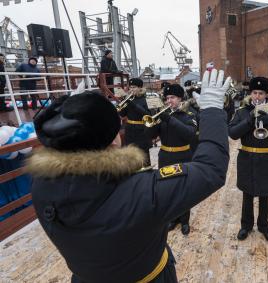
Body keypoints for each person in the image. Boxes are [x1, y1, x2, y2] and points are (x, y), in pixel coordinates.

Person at [28, 69, 230, 283]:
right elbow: (211, 169)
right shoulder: (143, 191)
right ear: (114, 140)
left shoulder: (40, 185)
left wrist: (72, 112)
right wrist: (213, 111)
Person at [229, 76, 268, 244]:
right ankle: (246, 225)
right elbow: (233, 133)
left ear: (266, 94)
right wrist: (249, 121)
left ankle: (264, 226)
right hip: (247, 157)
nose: (257, 96)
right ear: (251, 94)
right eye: (255, 93)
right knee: (247, 194)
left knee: (265, 194)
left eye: (261, 93)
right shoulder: (242, 111)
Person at [146, 83, 197, 235]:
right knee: (168, 189)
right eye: (167, 98)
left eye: (172, 97)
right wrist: (152, 122)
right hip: (165, 156)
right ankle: (173, 218)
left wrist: (168, 119)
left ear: (180, 98)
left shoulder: (189, 114)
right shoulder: (162, 115)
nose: (169, 101)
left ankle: (185, 220)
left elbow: (189, 134)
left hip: (183, 155)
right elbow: (150, 136)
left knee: (183, 188)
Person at [118, 78, 153, 165]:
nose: (131, 90)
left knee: (144, 155)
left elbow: (147, 115)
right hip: (130, 130)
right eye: (130, 87)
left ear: (140, 88)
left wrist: (132, 103)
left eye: (134, 87)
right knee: (130, 154)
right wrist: (122, 102)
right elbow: (122, 114)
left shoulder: (146, 99)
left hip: (142, 130)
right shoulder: (129, 99)